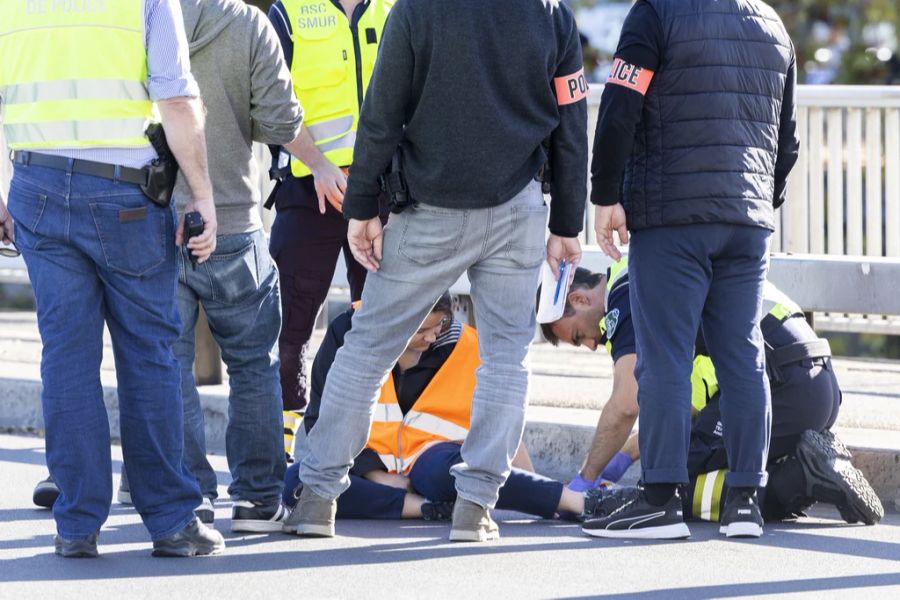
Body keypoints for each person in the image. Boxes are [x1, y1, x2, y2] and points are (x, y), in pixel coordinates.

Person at [284, 0, 587, 542]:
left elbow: (381, 113)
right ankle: (474, 508)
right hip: (518, 207)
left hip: (429, 210)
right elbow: (571, 119)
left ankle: (317, 498)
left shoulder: (416, 10)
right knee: (505, 362)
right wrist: (567, 221)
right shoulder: (552, 13)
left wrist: (361, 207)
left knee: (367, 349)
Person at [0, 0, 223, 557]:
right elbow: (175, 97)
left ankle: (76, 525)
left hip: (37, 185)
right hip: (124, 194)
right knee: (148, 353)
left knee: (66, 356)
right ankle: (171, 521)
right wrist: (202, 194)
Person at [588, 0, 800, 539]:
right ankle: (745, 503)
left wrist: (606, 193)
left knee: (665, 357)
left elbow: (620, 103)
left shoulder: (657, 12)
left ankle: (661, 500)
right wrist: (757, 199)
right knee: (743, 354)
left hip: (671, 216)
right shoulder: (772, 24)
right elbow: (787, 137)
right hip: (747, 222)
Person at [539, 261, 884, 530]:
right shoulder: (652, 268)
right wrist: (623, 459)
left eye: (578, 336)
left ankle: (801, 479)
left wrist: (585, 480)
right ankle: (811, 462)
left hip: (783, 384)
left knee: (668, 485)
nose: (589, 345)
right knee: (680, 456)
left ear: (579, 298)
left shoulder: (627, 293)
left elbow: (626, 402)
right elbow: (688, 413)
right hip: (815, 381)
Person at [282, 295, 591, 524]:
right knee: (297, 482)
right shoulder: (347, 334)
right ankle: (421, 508)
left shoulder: (467, 346)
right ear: (395, 320)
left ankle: (578, 502)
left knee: (457, 470)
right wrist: (375, 474)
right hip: (362, 471)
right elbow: (320, 417)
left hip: (435, 466)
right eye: (421, 331)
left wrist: (536, 493)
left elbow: (502, 426)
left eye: (440, 325)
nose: (431, 337)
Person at [172, 0, 303, 532]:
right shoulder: (250, 24)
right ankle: (257, 500)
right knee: (253, 365)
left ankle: (188, 496)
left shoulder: (139, 17)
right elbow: (280, 122)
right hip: (234, 221)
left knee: (169, 364)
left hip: (158, 219)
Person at [266, 0, 393, 461]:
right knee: (290, 323)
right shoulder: (289, 12)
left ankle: (368, 443)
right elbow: (267, 101)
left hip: (382, 194)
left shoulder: (396, 9)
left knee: (378, 320)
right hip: (307, 189)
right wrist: (317, 164)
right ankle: (283, 442)